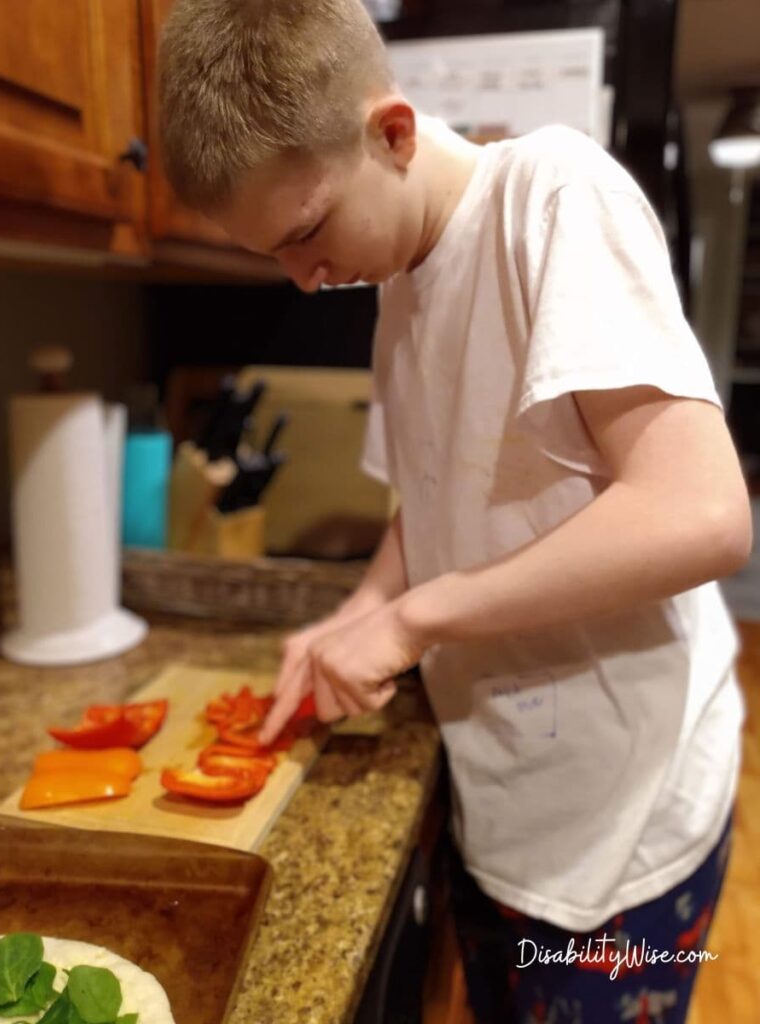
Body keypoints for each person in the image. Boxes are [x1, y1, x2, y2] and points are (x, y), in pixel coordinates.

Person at [158, 2, 752, 1020]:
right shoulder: (398, 278)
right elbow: (430, 506)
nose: (305, 280)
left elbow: (703, 513)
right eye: (277, 256)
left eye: (306, 232)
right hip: (510, 792)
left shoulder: (554, 198)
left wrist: (417, 618)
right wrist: (356, 612)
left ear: (391, 132)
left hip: (626, 835)